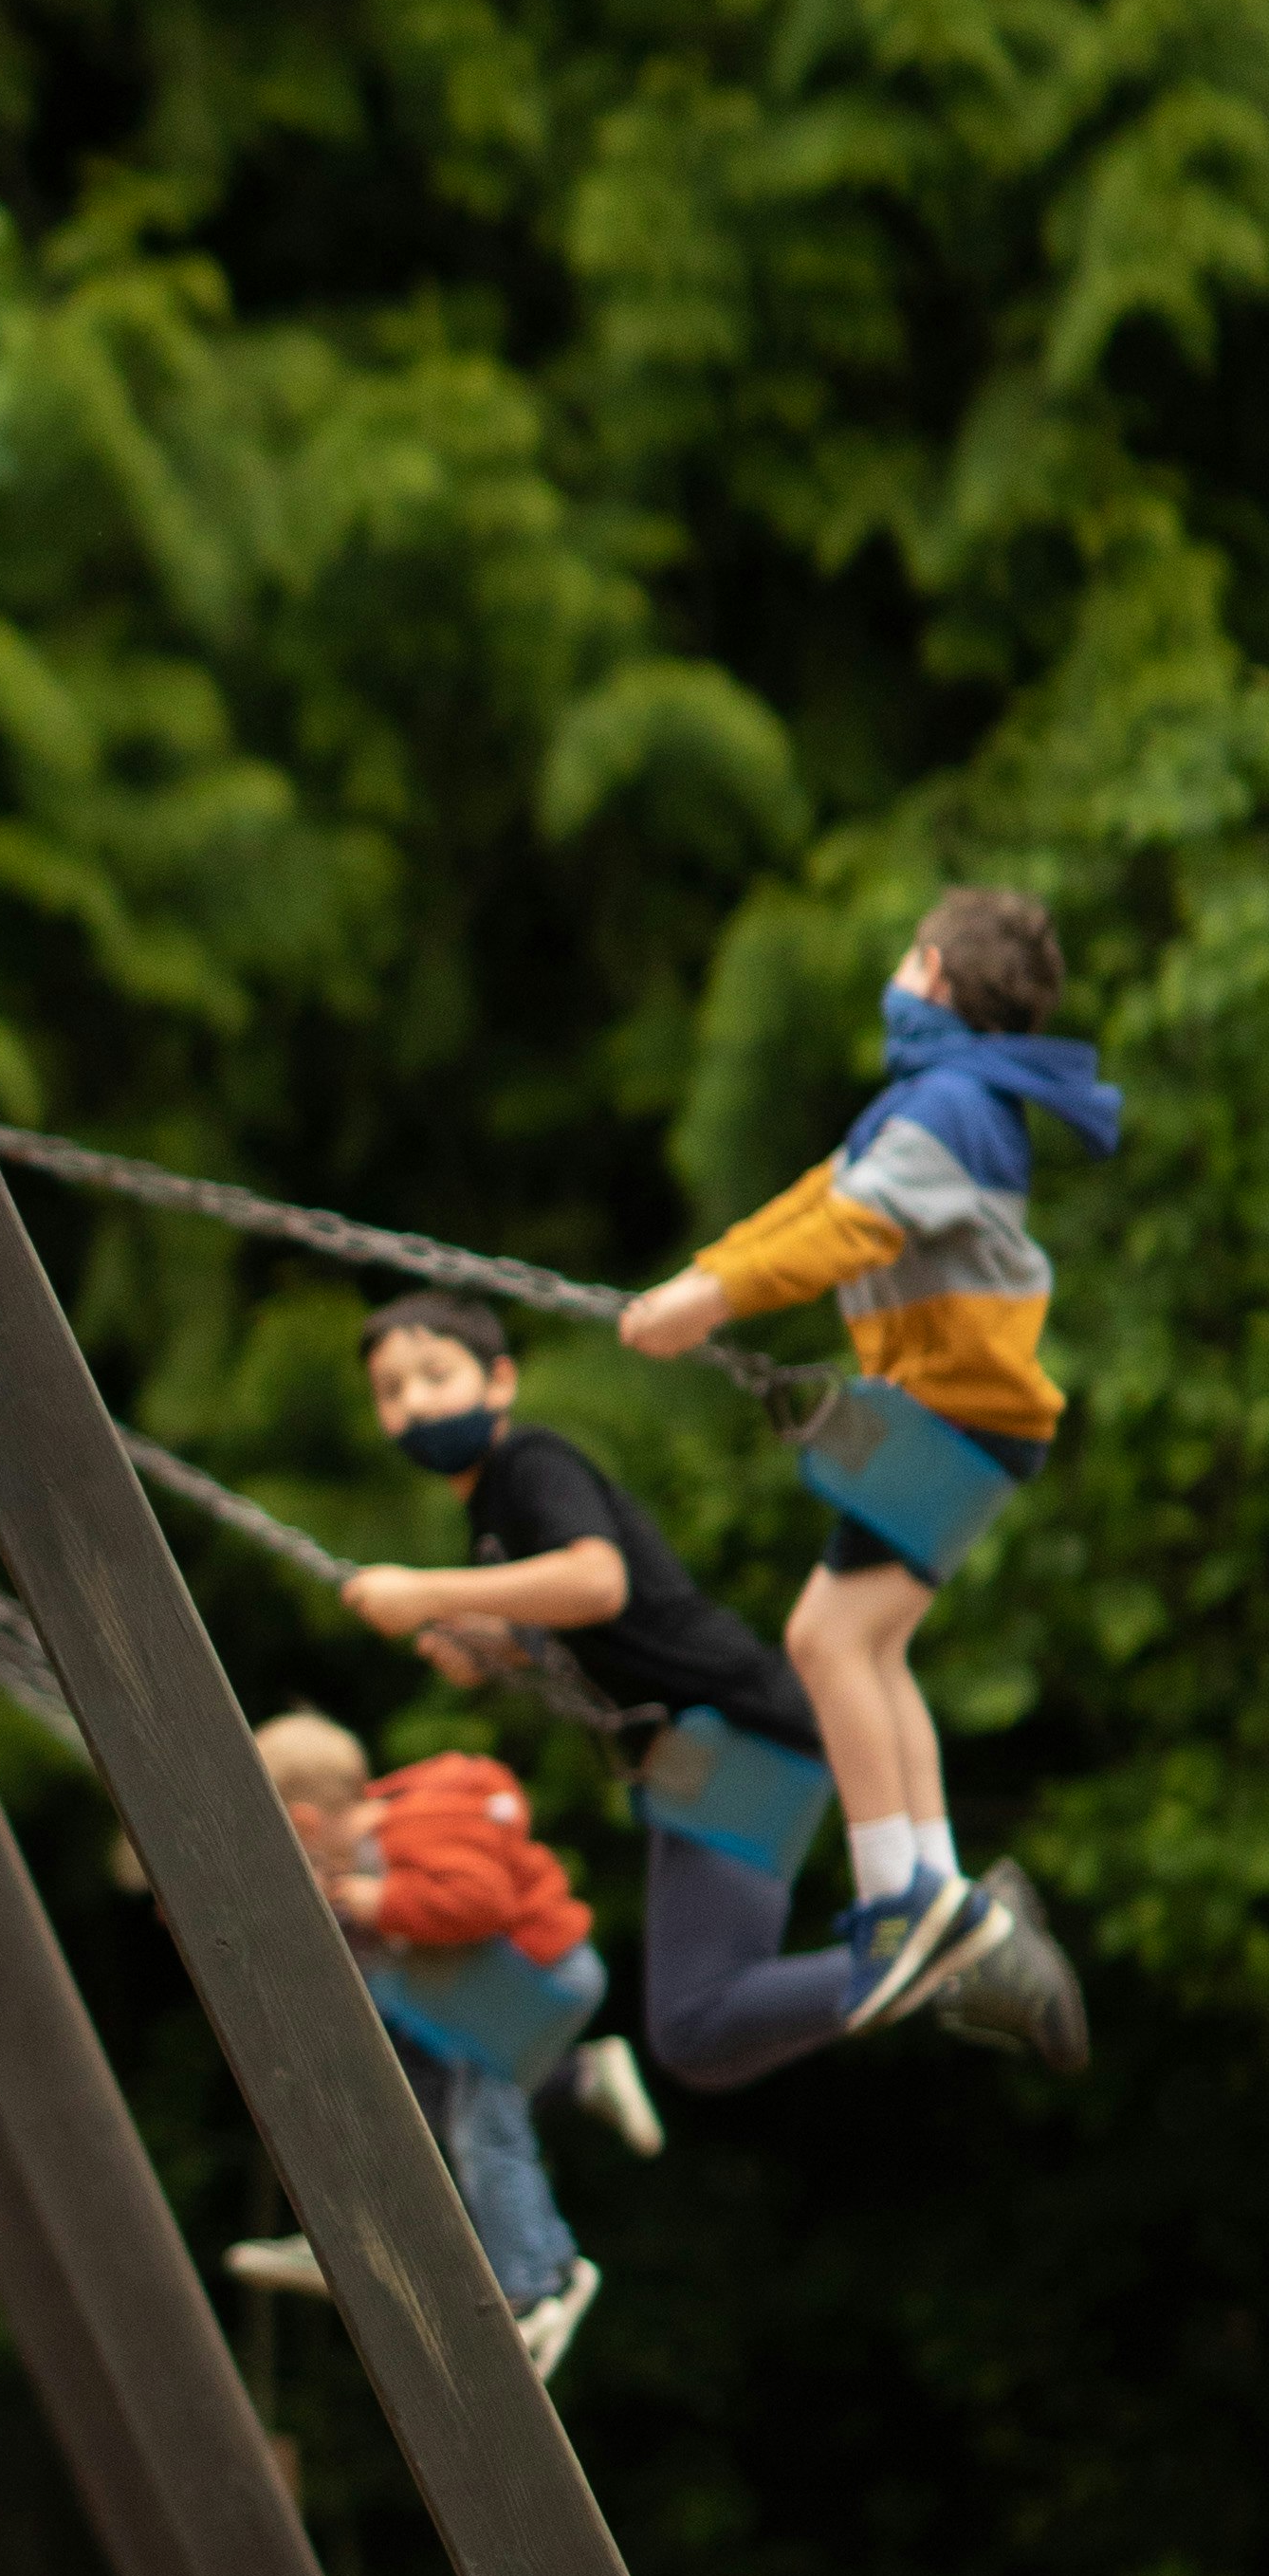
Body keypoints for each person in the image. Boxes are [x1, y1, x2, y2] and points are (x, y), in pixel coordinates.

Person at [337, 1297, 1080, 2083]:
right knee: (698, 2041)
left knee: (694, 2022)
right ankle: (956, 1947)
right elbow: (573, 1623)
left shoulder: (529, 1465)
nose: (413, 1402)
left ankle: (965, 1939)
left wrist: (427, 1593)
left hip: (732, 1735)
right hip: (713, 1749)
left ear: (498, 1381)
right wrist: (488, 1641)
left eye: (433, 1375)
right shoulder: (491, 1513)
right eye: (390, 1391)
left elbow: (597, 1581)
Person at [618, 889, 1117, 2006]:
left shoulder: (950, 1102)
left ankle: (901, 1890)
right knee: (868, 1645)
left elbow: (853, 1227)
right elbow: (818, 1201)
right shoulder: (945, 1098)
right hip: (964, 1412)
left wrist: (709, 1295)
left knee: (827, 1640)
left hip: (959, 1409)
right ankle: (931, 1879)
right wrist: (703, 1282)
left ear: (932, 972)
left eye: (906, 958)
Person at [232, 1707, 608, 2378]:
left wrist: (383, 1901)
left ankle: (535, 2285)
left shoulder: (414, 1830)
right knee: (423, 2095)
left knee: (482, 2130)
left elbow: (479, 1901)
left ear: (306, 1823)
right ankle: (532, 2247)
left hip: (535, 1979)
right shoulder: (373, 1849)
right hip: (499, 1992)